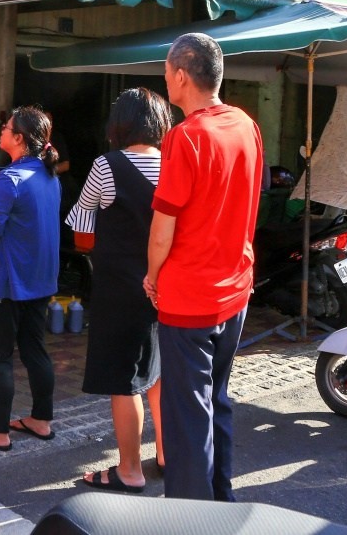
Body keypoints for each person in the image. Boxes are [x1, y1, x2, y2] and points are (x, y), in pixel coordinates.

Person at [142, 33, 265, 501]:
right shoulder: (245, 124)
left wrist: (153, 275)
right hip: (234, 287)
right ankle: (221, 499)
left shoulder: (185, 136)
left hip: (190, 294)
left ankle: (191, 516)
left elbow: (162, 227)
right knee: (216, 400)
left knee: (186, 415)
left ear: (179, 76)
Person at [67, 88, 173, 493]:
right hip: (166, 284)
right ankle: (166, 455)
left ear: (119, 123)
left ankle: (129, 469)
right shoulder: (174, 163)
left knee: (124, 378)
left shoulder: (107, 166)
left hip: (120, 287)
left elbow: (82, 232)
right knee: (159, 371)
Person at [0, 106, 62, 453]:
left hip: (9, 280)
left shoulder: (9, 178)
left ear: (20, 139)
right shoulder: (48, 175)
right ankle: (41, 420)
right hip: (41, 279)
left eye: (6, 127)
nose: (1, 131)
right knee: (35, 349)